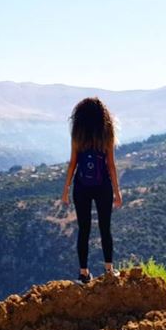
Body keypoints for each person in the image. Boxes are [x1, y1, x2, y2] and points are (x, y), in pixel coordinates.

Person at [61, 97, 123, 283]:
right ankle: (109, 270)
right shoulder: (107, 132)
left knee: (84, 230)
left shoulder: (78, 133)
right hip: (102, 185)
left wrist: (66, 190)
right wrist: (117, 192)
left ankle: (83, 273)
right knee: (105, 228)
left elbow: (73, 163)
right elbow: (111, 165)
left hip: (81, 186)